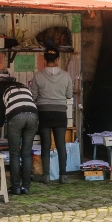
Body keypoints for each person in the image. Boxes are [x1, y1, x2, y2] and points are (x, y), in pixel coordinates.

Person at [30, 49, 74, 184]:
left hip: (43, 113)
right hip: (60, 114)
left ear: (45, 60)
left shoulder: (37, 76)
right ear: (57, 60)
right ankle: (63, 176)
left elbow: (34, 96)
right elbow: (69, 95)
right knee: (60, 144)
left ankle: (46, 176)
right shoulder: (66, 76)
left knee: (45, 144)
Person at [0, 79, 39, 195]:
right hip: (33, 116)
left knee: (14, 153)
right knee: (26, 153)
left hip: (16, 117)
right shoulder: (24, 88)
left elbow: (0, 115)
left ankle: (15, 187)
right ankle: (26, 187)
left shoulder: (1, 90)